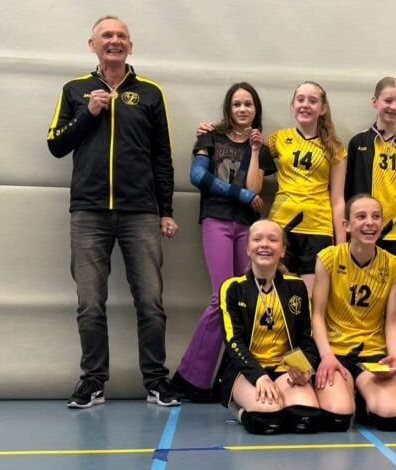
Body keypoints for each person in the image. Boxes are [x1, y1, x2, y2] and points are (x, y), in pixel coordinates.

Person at [47, 15, 179, 408]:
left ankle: (156, 380)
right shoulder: (75, 90)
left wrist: (166, 210)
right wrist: (88, 113)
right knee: (90, 303)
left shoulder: (151, 92)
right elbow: (56, 144)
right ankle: (93, 381)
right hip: (89, 212)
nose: (115, 40)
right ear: (93, 45)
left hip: (140, 212)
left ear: (130, 46)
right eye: (107, 35)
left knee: (150, 301)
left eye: (122, 35)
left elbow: (162, 157)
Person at [172, 82, 276, 402]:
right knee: (222, 298)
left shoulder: (261, 147)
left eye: (248, 104)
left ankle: (229, 379)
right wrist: (240, 195)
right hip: (217, 220)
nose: (242, 109)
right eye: (236, 104)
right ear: (228, 109)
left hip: (247, 227)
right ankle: (189, 377)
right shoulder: (210, 137)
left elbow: (255, 189)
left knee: (243, 301)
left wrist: (255, 150)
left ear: (256, 110)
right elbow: (198, 177)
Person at [311, 194, 396, 432]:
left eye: (376, 217)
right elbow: (317, 315)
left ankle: (364, 399)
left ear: (382, 223)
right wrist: (326, 356)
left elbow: (393, 322)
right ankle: (340, 392)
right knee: (337, 417)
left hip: (371, 353)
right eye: (361, 216)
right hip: (335, 352)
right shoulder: (329, 258)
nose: (369, 223)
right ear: (346, 225)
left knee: (391, 417)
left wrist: (395, 355)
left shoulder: (394, 265)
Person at [218, 219, 321, 434]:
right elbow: (233, 342)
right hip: (248, 371)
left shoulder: (297, 287)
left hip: (285, 369)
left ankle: (280, 401)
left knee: (306, 419)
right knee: (267, 421)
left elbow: (306, 338)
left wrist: (306, 370)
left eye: (273, 240)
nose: (264, 244)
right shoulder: (232, 288)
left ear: (282, 250)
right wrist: (260, 376)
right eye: (257, 239)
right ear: (248, 248)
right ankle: (240, 411)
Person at [345, 77, 396, 333]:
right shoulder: (358, 143)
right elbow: (348, 193)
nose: (393, 107)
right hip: (367, 236)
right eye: (388, 100)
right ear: (375, 102)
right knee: (366, 305)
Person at [267, 81, 347, 295]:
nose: (305, 105)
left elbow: (338, 199)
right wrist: (214, 133)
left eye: (313, 101)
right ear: (292, 105)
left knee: (310, 299)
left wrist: (341, 245)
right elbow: (247, 149)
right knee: (282, 298)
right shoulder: (278, 138)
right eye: (300, 99)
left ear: (323, 108)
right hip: (282, 226)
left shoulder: (335, 148)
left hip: (318, 229)